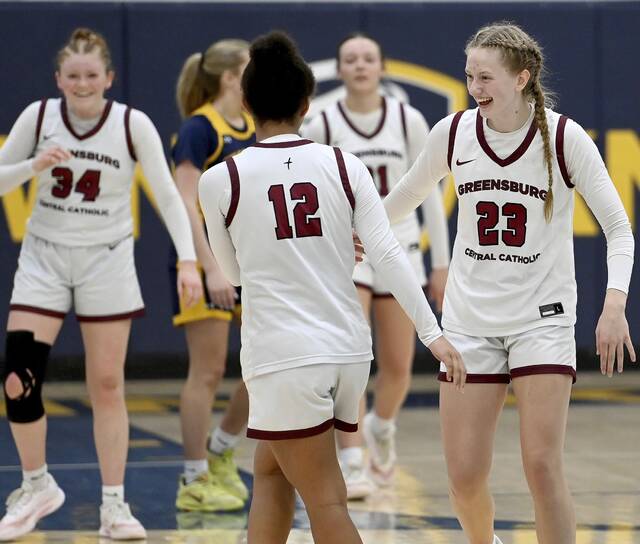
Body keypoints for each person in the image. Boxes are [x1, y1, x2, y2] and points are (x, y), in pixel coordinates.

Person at [198, 30, 466, 544]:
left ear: (248, 102)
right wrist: (433, 335)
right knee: (271, 475)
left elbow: (233, 277)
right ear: (305, 104)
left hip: (284, 356)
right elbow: (387, 253)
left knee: (326, 499)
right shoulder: (345, 163)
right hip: (346, 353)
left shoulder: (220, 180)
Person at [383, 21, 635, 544]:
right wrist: (355, 232)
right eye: (470, 76)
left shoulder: (564, 138)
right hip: (470, 321)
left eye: (486, 77)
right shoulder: (452, 134)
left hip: (540, 320)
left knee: (542, 467)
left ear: (522, 78)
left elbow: (618, 227)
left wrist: (614, 306)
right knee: (464, 478)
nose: (475, 88)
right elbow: (400, 201)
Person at [0, 28, 202, 541]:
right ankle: (36, 485)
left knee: (107, 384)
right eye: (74, 76)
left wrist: (187, 261)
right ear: (59, 80)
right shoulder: (39, 117)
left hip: (106, 260)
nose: (83, 84)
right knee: (18, 377)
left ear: (109, 78)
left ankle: (115, 504)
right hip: (44, 257)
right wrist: (31, 165)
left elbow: (168, 196)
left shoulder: (133, 125)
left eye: (93, 75)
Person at [302, 32, 451, 498]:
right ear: (340, 69)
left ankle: (381, 426)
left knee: (399, 368)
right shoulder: (323, 121)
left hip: (401, 247)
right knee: (353, 358)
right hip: (350, 251)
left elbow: (429, 193)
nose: (361, 66)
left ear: (381, 67)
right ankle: (353, 461)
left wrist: (440, 264)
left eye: (368, 58)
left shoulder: (407, 118)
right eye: (351, 59)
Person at [170, 39, 256, 513]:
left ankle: (222, 449)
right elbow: (185, 201)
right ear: (229, 77)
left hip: (244, 260)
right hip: (203, 261)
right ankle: (193, 478)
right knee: (207, 371)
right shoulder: (199, 128)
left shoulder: (252, 126)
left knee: (263, 364)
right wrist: (207, 265)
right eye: (250, 67)